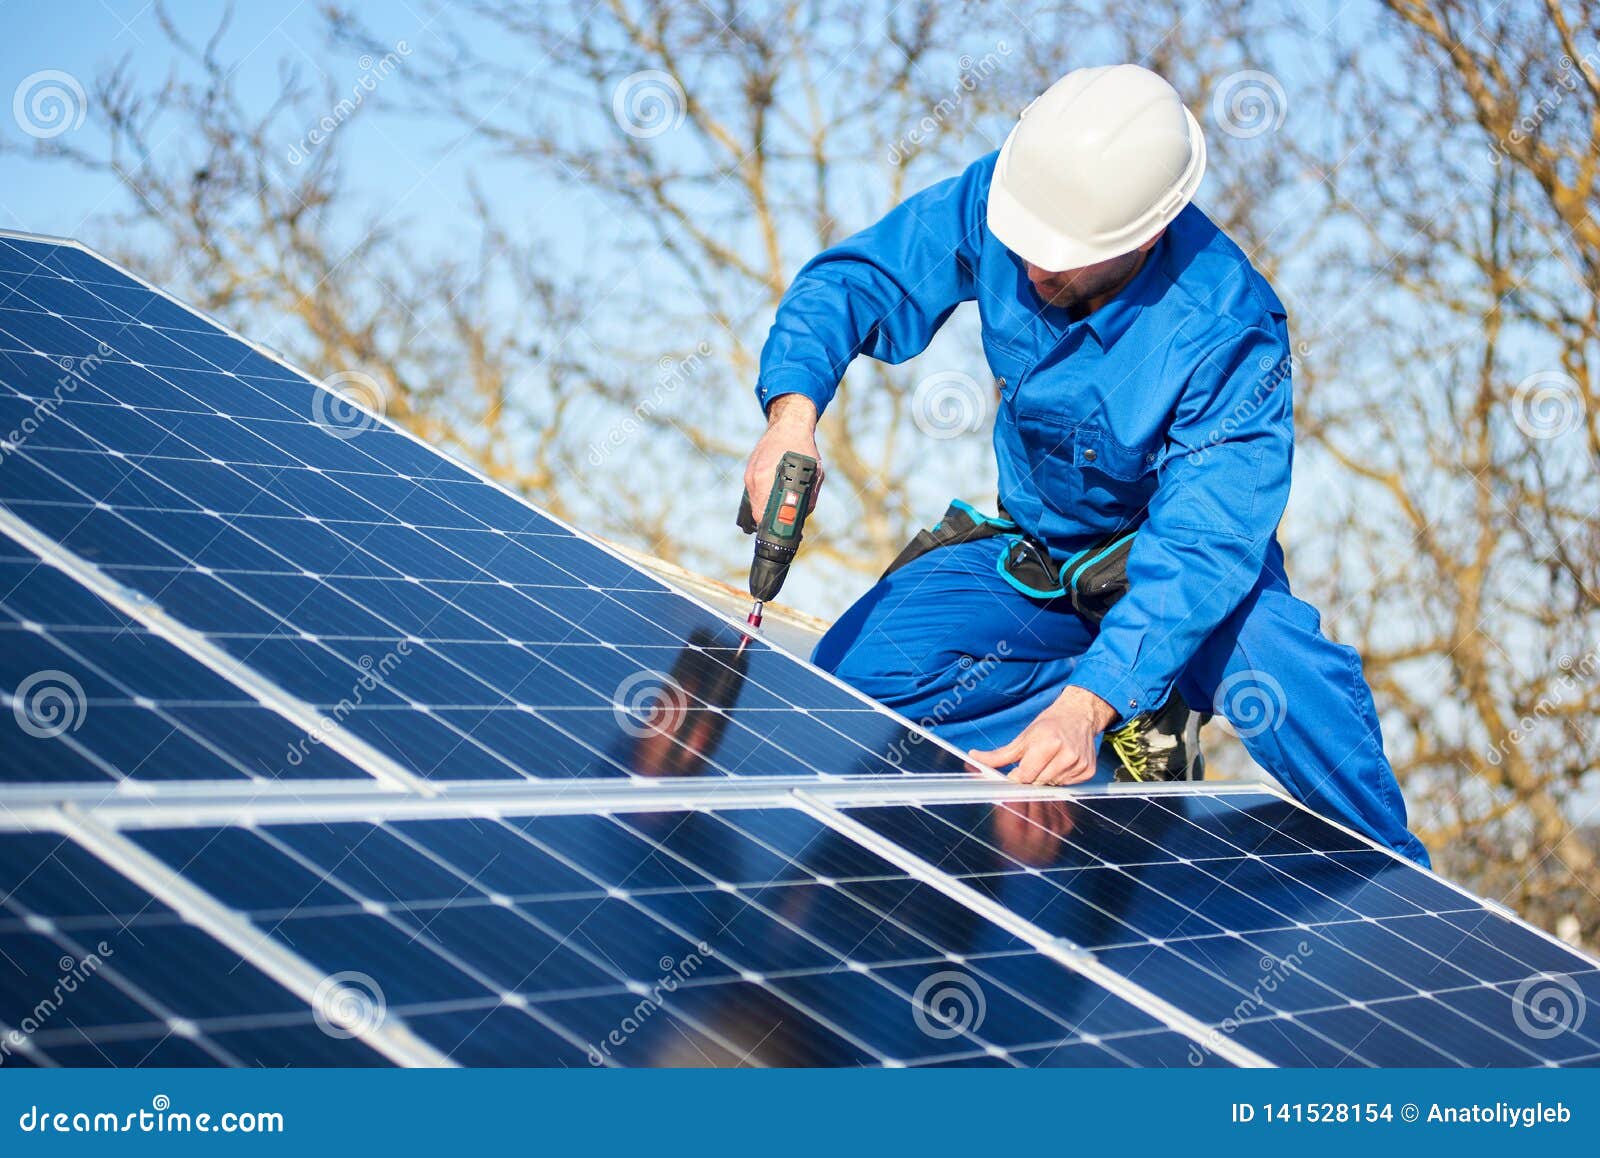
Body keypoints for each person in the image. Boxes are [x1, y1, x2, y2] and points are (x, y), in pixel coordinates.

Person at [742, 64, 1427, 864]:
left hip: (1165, 574)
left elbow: (1204, 545)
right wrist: (792, 417)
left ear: (1142, 237)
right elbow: (863, 280)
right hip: (1035, 560)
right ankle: (1123, 715)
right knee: (851, 685)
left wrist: (1093, 698)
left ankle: (1404, 879)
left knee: (1287, 678)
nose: (1032, 272)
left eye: (1061, 260)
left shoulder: (1227, 328)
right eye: (1024, 248)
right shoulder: (1008, 198)